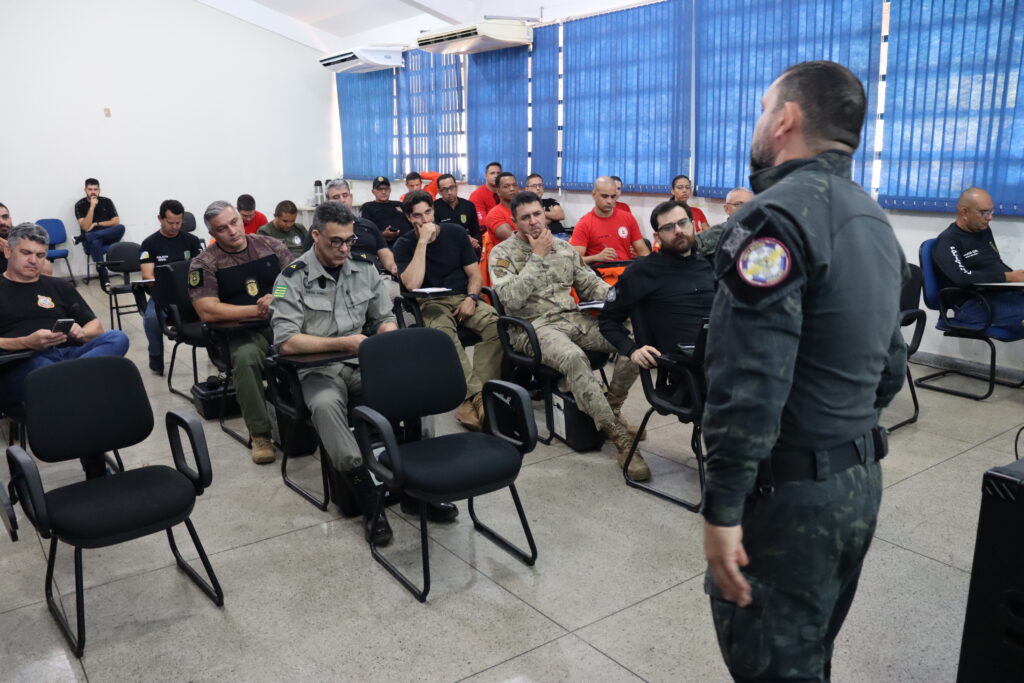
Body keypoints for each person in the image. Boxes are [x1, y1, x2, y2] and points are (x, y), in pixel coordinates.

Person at [700, 61, 907, 681]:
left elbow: (749, 383)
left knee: (775, 664)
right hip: (858, 481)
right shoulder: (870, 218)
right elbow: (889, 366)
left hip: (789, 500)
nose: (760, 121)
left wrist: (722, 509)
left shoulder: (770, 219)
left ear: (785, 118)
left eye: (765, 109)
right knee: (810, 651)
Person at [271, 201, 452, 546]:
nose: (344, 249)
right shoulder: (292, 278)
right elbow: (286, 342)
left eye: (349, 241)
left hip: (363, 362)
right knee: (326, 406)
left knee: (416, 390)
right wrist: (341, 342)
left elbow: (382, 316)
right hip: (317, 369)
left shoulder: (363, 268)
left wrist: (384, 330)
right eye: (335, 241)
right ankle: (368, 499)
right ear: (315, 236)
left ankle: (416, 489)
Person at [489, 192, 646, 480]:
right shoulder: (502, 254)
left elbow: (592, 285)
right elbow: (510, 300)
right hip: (534, 328)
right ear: (515, 222)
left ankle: (611, 408)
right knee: (574, 357)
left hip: (573, 318)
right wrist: (537, 256)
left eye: (537, 214)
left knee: (633, 339)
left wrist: (624, 302)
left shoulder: (563, 248)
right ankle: (620, 438)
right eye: (525, 218)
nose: (534, 222)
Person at [0, 222, 130, 478]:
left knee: (117, 337)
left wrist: (83, 333)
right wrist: (26, 342)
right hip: (23, 363)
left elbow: (97, 327)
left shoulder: (57, 286)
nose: (34, 261)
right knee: (59, 378)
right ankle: (95, 465)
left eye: (40, 255)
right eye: (26, 253)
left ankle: (71, 381)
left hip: (69, 355)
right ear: (8, 252)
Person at [189, 201, 293, 465]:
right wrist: (254, 311)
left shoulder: (270, 245)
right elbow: (207, 311)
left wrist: (275, 297)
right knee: (246, 360)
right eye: (222, 229)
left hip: (284, 323)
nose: (232, 231)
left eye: (234, 223)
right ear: (213, 233)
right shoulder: (205, 263)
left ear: (240, 219)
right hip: (243, 332)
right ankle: (260, 434)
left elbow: (296, 282)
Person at [393, 190, 502, 431]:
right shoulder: (404, 244)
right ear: (410, 219)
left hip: (463, 296)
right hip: (430, 302)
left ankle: (479, 396)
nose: (425, 220)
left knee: (496, 324)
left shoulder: (455, 233)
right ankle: (477, 398)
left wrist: (472, 298)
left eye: (428, 213)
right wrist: (422, 241)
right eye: (418, 216)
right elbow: (412, 284)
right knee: (443, 335)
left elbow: (474, 275)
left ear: (434, 210)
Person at [599, 200, 714, 367]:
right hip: (687, 368)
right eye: (668, 227)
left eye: (683, 223)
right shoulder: (642, 271)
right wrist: (632, 350)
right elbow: (607, 320)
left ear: (694, 225)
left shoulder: (709, 265)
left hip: (724, 350)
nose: (678, 231)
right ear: (657, 237)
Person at [931, 187, 1024, 335]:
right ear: (964, 212)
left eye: (991, 211)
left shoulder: (983, 231)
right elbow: (962, 278)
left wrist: (1017, 280)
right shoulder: (947, 241)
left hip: (996, 296)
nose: (989, 217)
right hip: (972, 305)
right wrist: (1007, 277)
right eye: (983, 212)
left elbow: (994, 264)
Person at [138, 199, 203, 375]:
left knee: (215, 310)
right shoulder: (149, 243)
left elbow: (203, 269)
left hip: (192, 293)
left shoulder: (191, 240)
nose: (175, 227)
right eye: (170, 223)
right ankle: (156, 357)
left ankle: (219, 352)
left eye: (179, 222)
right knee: (151, 319)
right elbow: (147, 275)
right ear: (160, 218)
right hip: (163, 295)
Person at [313, 179, 398, 276]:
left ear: (351, 197)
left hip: (374, 277)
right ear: (328, 201)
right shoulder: (320, 227)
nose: (342, 200)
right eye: (336, 197)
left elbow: (384, 252)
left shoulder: (368, 225)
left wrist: (393, 267)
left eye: (345, 195)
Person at [570, 176, 649, 266]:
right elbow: (574, 260)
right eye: (604, 196)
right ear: (594, 195)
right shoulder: (584, 224)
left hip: (625, 273)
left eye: (613, 197)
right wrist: (596, 257)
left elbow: (644, 252)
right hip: (598, 276)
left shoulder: (628, 218)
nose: (609, 201)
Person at [74, 178, 125, 262]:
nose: (93, 192)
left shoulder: (107, 201)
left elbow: (116, 222)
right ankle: (102, 272)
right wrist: (92, 207)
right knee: (95, 242)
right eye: (90, 189)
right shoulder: (79, 205)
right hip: (90, 242)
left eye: (95, 189)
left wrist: (96, 224)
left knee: (121, 227)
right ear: (85, 190)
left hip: (108, 237)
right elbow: (85, 228)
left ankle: (85, 236)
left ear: (99, 190)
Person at [694, 187, 754, 257]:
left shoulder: (762, 231)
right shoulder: (714, 234)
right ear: (726, 209)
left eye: (750, 204)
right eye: (739, 204)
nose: (745, 208)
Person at [0, 203, 52, 275]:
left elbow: (47, 272)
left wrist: (11, 250)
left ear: (10, 219)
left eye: (5, 217)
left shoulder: (22, 236)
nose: (2, 222)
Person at [360, 176, 413, 248]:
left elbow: (412, 221)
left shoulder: (399, 204)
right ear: (373, 192)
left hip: (409, 241)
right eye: (379, 189)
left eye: (386, 189)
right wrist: (382, 235)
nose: (383, 192)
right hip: (386, 245)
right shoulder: (367, 207)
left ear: (390, 190)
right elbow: (365, 231)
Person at [434, 173, 482, 249]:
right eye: (444, 189)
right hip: (444, 249)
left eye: (451, 187)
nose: (449, 192)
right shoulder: (434, 208)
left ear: (457, 187)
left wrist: (475, 242)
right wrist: (465, 238)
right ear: (439, 192)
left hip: (467, 248)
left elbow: (476, 232)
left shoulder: (468, 205)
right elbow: (435, 236)